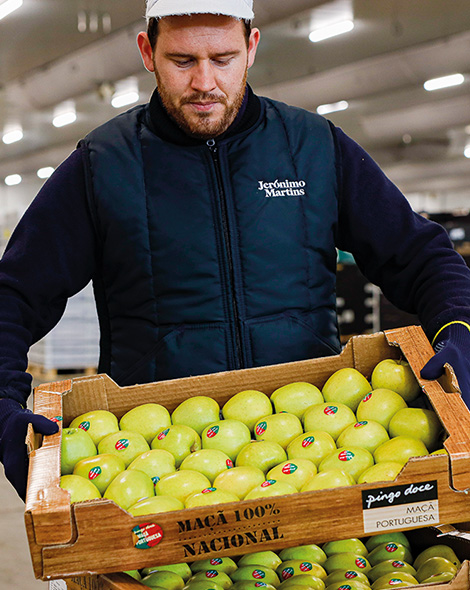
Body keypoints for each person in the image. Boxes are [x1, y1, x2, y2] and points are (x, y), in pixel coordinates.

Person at [0, 0, 470, 501]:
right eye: (182, 61)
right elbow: (17, 293)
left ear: (251, 48)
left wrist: (459, 324)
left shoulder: (312, 147)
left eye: (222, 58)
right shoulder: (103, 165)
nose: (204, 82)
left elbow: (420, 255)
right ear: (146, 52)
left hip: (315, 454)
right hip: (154, 469)